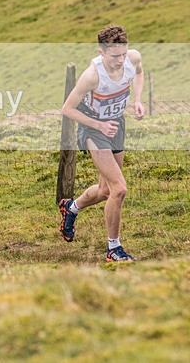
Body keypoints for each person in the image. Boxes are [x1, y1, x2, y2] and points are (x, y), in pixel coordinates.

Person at [59, 24, 144, 262]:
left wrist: (137, 100)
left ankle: (71, 207)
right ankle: (113, 249)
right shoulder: (92, 76)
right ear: (101, 52)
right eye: (115, 56)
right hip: (93, 129)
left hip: (116, 125)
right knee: (119, 189)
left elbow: (139, 72)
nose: (120, 60)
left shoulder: (133, 58)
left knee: (106, 190)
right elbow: (67, 109)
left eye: (123, 54)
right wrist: (99, 126)